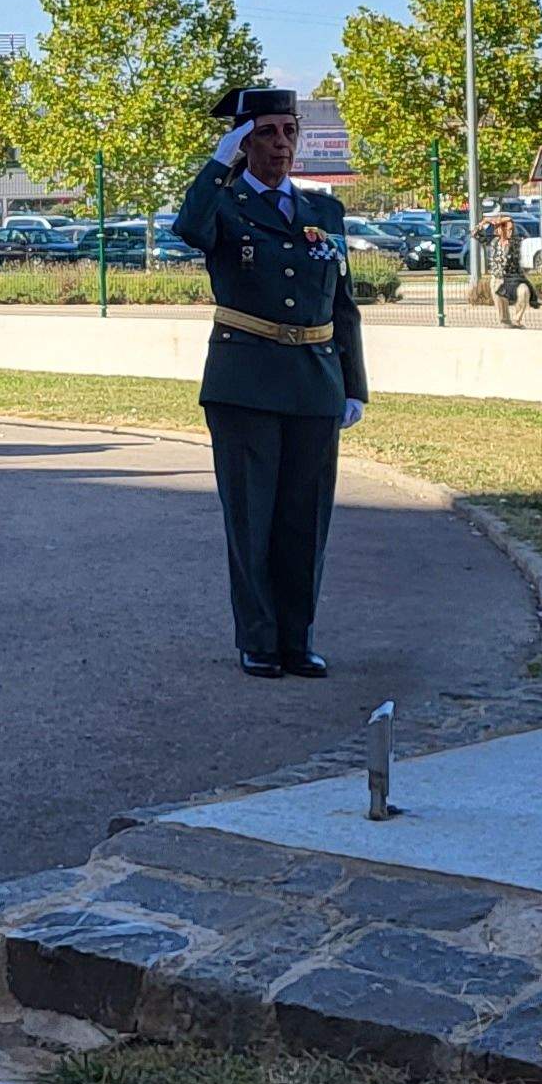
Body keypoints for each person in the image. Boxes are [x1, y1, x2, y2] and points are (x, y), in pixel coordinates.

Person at [172, 88, 369, 678]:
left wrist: (353, 383)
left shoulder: (322, 212)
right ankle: (257, 637)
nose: (281, 144)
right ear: (244, 143)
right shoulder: (225, 206)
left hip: (314, 379)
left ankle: (296, 637)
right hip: (246, 380)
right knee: (251, 516)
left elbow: (343, 303)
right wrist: (217, 162)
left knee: (304, 519)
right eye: (266, 133)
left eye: (289, 131)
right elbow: (189, 226)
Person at [479, 207, 534, 327]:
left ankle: (517, 319)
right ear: (498, 230)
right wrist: (484, 223)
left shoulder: (515, 242)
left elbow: (509, 220)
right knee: (497, 287)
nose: (509, 231)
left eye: (510, 229)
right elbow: (476, 234)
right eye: (506, 229)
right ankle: (505, 322)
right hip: (498, 278)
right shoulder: (493, 243)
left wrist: (497, 221)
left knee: (524, 291)